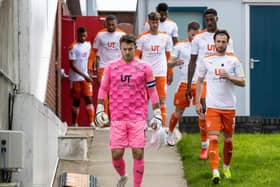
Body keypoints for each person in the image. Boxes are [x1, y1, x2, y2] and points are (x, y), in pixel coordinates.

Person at [95, 34, 163, 187]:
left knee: (138, 152)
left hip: (138, 117)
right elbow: (103, 88)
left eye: (130, 49)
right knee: (116, 154)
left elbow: (152, 91)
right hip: (118, 117)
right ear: (120, 49)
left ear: (135, 48)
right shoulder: (111, 67)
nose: (127, 52)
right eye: (124, 49)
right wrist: (100, 109)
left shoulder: (145, 67)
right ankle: (123, 175)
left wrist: (157, 113)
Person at [195, 30, 245, 184]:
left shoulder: (234, 60)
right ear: (214, 42)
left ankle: (226, 167)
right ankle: (215, 172)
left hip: (229, 107)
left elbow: (243, 82)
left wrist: (230, 77)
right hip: (213, 107)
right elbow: (199, 81)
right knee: (214, 138)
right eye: (219, 41)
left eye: (224, 42)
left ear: (227, 43)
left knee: (228, 140)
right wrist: (198, 101)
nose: (221, 44)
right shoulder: (206, 60)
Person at [186, 8, 234, 159]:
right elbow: (192, 61)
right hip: (201, 81)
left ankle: (213, 146)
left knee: (215, 114)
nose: (209, 22)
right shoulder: (198, 38)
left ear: (217, 19)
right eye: (207, 20)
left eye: (212, 19)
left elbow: (230, 60)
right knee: (202, 112)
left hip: (218, 82)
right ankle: (205, 146)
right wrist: (188, 84)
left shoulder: (226, 38)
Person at [166, 21, 201, 146]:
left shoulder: (203, 46)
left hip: (199, 83)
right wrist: (176, 63)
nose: (195, 37)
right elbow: (169, 63)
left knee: (202, 111)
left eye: (197, 35)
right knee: (179, 112)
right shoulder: (180, 46)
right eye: (193, 34)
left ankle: (205, 143)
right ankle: (170, 134)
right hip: (184, 83)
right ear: (188, 32)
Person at [136, 12, 173, 127]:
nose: (155, 24)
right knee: (144, 100)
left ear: (159, 22)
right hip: (146, 74)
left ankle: (162, 125)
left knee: (161, 100)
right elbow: (137, 57)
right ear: (149, 22)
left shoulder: (166, 37)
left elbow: (169, 56)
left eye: (156, 22)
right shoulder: (142, 38)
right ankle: (142, 124)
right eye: (152, 22)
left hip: (161, 73)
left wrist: (170, 72)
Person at [89, 15, 126, 115]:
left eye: (113, 25)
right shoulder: (100, 35)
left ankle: (115, 118)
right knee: (103, 94)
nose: (111, 27)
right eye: (109, 25)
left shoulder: (122, 35)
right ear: (105, 24)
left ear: (116, 24)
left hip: (118, 68)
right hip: (103, 67)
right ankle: (104, 118)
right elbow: (93, 52)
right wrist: (90, 67)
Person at [68, 27, 95, 127]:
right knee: (77, 101)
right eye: (81, 36)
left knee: (89, 98)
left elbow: (90, 58)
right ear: (77, 35)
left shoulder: (88, 45)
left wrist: (89, 71)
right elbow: (72, 65)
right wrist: (84, 75)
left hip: (85, 77)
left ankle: (91, 122)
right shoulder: (73, 47)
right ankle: (74, 123)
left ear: (86, 35)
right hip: (75, 78)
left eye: (84, 35)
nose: (82, 37)